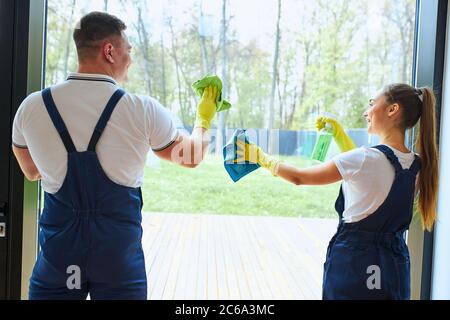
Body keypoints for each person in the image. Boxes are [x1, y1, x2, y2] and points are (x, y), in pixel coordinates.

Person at [12, 11, 218, 300]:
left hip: (59, 260)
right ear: (110, 51)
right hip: (117, 262)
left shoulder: (31, 108)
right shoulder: (141, 109)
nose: (130, 60)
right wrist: (203, 119)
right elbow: (191, 156)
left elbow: (32, 171)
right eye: (128, 50)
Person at [235, 83, 439, 299]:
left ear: (392, 110)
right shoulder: (418, 164)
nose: (366, 111)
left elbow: (299, 177)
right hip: (393, 267)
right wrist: (339, 136)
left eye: (372, 104)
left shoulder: (364, 159)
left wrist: (261, 158)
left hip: (354, 264)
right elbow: (368, 172)